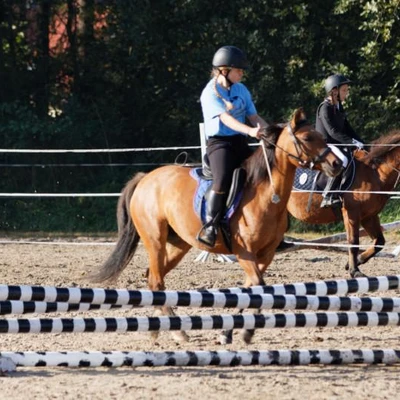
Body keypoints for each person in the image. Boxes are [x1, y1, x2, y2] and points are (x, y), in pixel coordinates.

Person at [197, 45, 268, 247]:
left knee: (260, 175)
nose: (242, 73)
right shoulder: (209, 93)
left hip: (240, 141)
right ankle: (211, 226)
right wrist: (251, 131)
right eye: (239, 70)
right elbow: (226, 120)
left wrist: (268, 131)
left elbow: (253, 116)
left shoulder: (241, 89)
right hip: (220, 144)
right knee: (222, 180)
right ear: (224, 70)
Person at [315, 73, 364, 208]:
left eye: (347, 90)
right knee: (343, 160)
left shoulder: (338, 107)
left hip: (336, 143)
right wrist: (352, 142)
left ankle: (342, 191)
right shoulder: (324, 108)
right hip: (325, 144)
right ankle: (328, 195)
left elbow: (348, 129)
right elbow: (332, 132)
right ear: (334, 91)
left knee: (353, 158)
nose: (346, 93)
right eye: (344, 90)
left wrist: (362, 143)